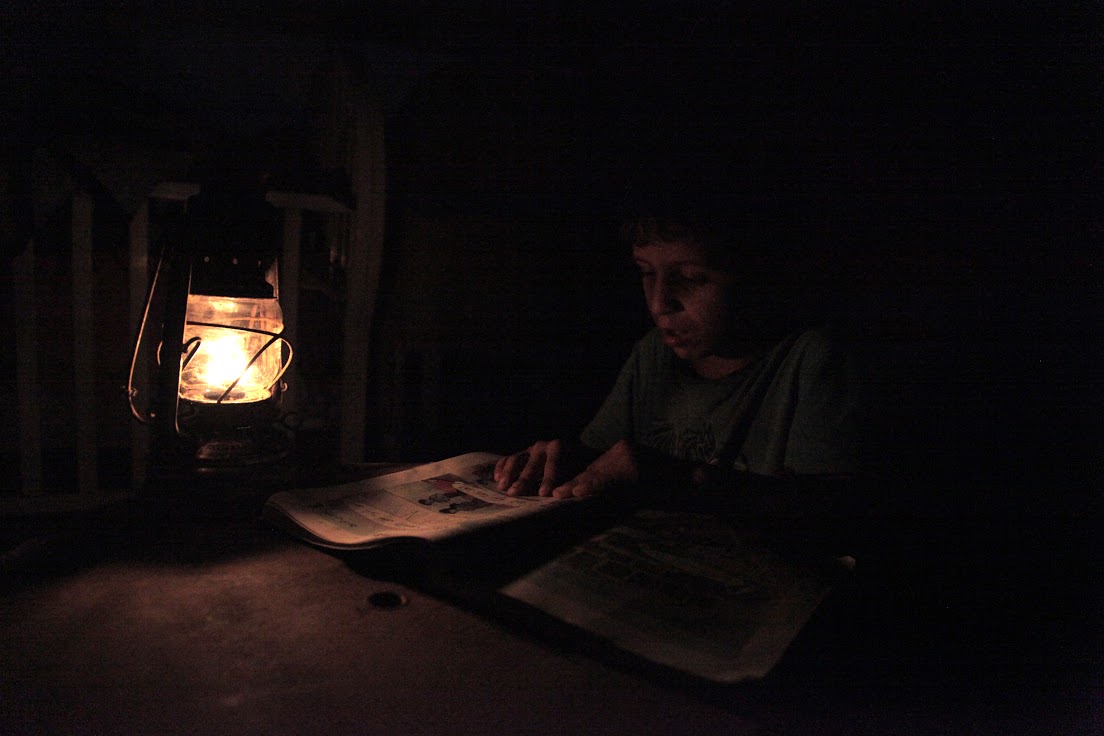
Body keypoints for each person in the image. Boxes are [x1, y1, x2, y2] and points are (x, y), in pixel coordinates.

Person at [493, 178, 868, 533]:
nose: (659, 304)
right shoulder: (653, 354)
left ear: (755, 273)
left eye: (691, 278)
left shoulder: (813, 361)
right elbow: (603, 458)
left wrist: (685, 478)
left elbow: (837, 515)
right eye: (645, 273)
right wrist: (564, 461)